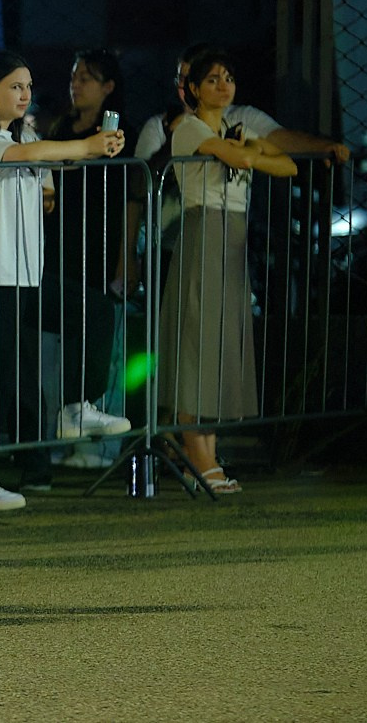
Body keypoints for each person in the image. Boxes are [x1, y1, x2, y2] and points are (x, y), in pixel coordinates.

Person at [0, 51, 124, 513]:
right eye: (14, 86)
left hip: (21, 274)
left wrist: (49, 184)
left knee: (91, 309)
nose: (24, 94)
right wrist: (85, 147)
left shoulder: (23, 133)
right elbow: (25, 157)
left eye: (27, 87)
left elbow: (41, 172)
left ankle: (74, 406)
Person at [159, 49, 296, 494]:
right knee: (198, 344)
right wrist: (251, 151)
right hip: (204, 233)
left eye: (229, 78)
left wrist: (248, 149)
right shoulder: (189, 127)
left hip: (232, 237)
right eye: (213, 79)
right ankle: (197, 459)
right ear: (193, 89)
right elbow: (239, 160)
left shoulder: (235, 130)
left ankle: (205, 456)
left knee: (219, 346)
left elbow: (288, 164)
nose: (224, 86)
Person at [42, 49, 137, 445]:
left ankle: (90, 426)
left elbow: (130, 198)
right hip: (58, 240)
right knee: (61, 330)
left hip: (98, 241)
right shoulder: (60, 127)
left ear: (108, 87)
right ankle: (60, 425)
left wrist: (125, 257)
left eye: (87, 78)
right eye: (74, 76)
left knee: (94, 323)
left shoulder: (117, 135)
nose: (76, 84)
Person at [135, 43, 349, 166]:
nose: (189, 86)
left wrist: (322, 148)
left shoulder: (241, 117)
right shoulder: (159, 126)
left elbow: (280, 138)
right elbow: (138, 187)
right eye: (183, 79)